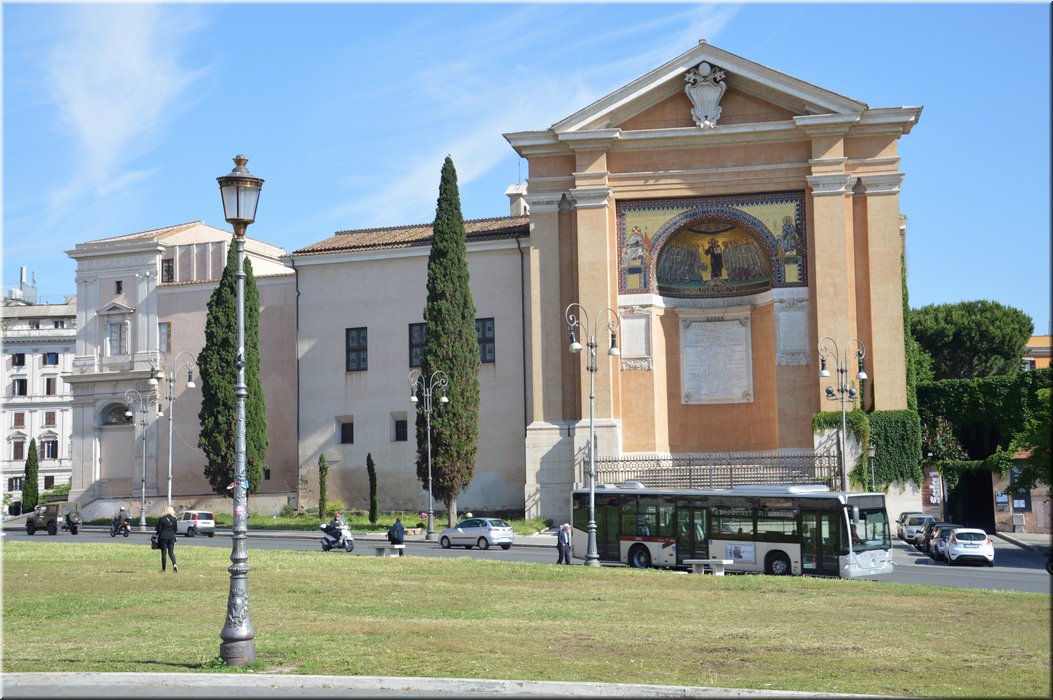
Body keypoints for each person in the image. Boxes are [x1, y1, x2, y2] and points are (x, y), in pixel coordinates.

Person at [155, 505, 178, 573]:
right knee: (171, 552)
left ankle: (163, 569)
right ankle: (174, 564)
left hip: (163, 537)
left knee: (164, 553)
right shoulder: (174, 519)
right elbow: (176, 529)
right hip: (171, 537)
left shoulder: (162, 518)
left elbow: (159, 529)